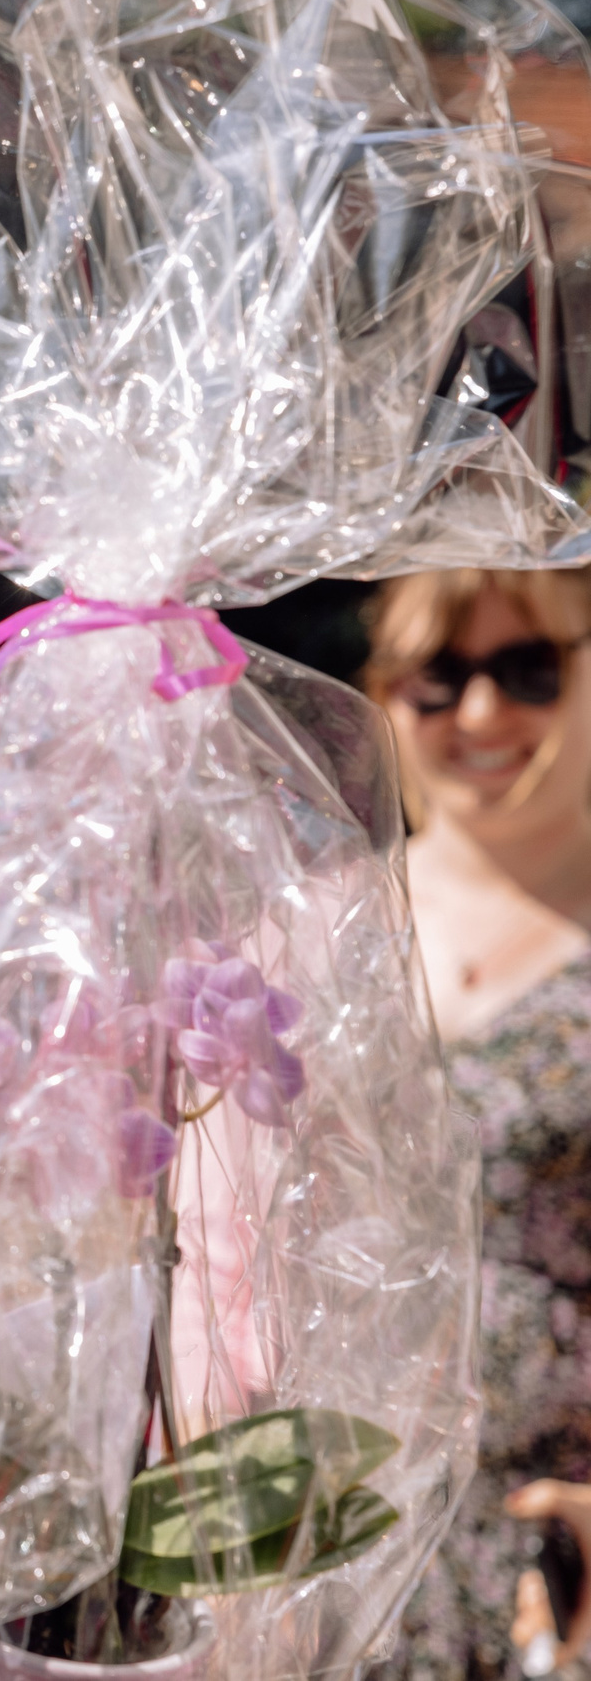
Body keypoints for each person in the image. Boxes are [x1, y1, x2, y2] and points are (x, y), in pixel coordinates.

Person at [364, 566, 591, 1681]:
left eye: (528, 670)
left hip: (561, 1579)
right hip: (347, 1559)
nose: (483, 714)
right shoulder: (322, 926)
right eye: (439, 678)